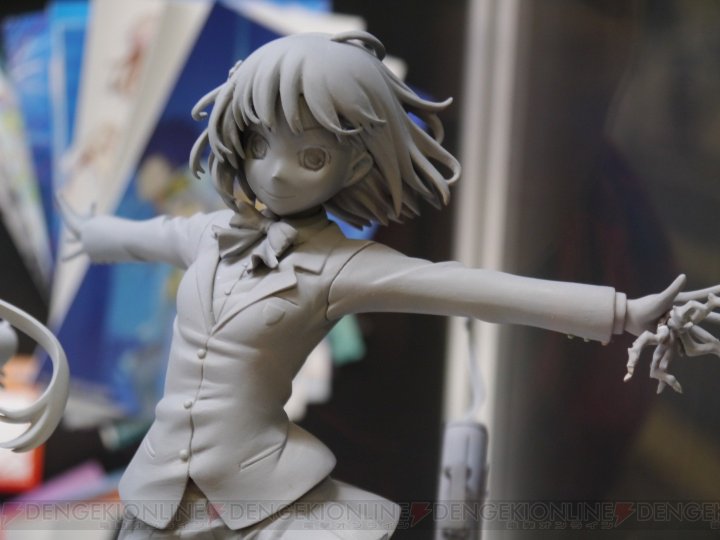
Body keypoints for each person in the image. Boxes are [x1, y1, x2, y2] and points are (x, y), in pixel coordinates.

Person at [56, 31, 715, 539]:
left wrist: (622, 312)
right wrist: (87, 231)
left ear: (353, 165)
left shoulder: (338, 266)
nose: (278, 172)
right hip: (157, 489)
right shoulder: (209, 233)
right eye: (260, 146)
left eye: (312, 156)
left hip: (262, 498)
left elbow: (472, 289)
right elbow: (139, 237)